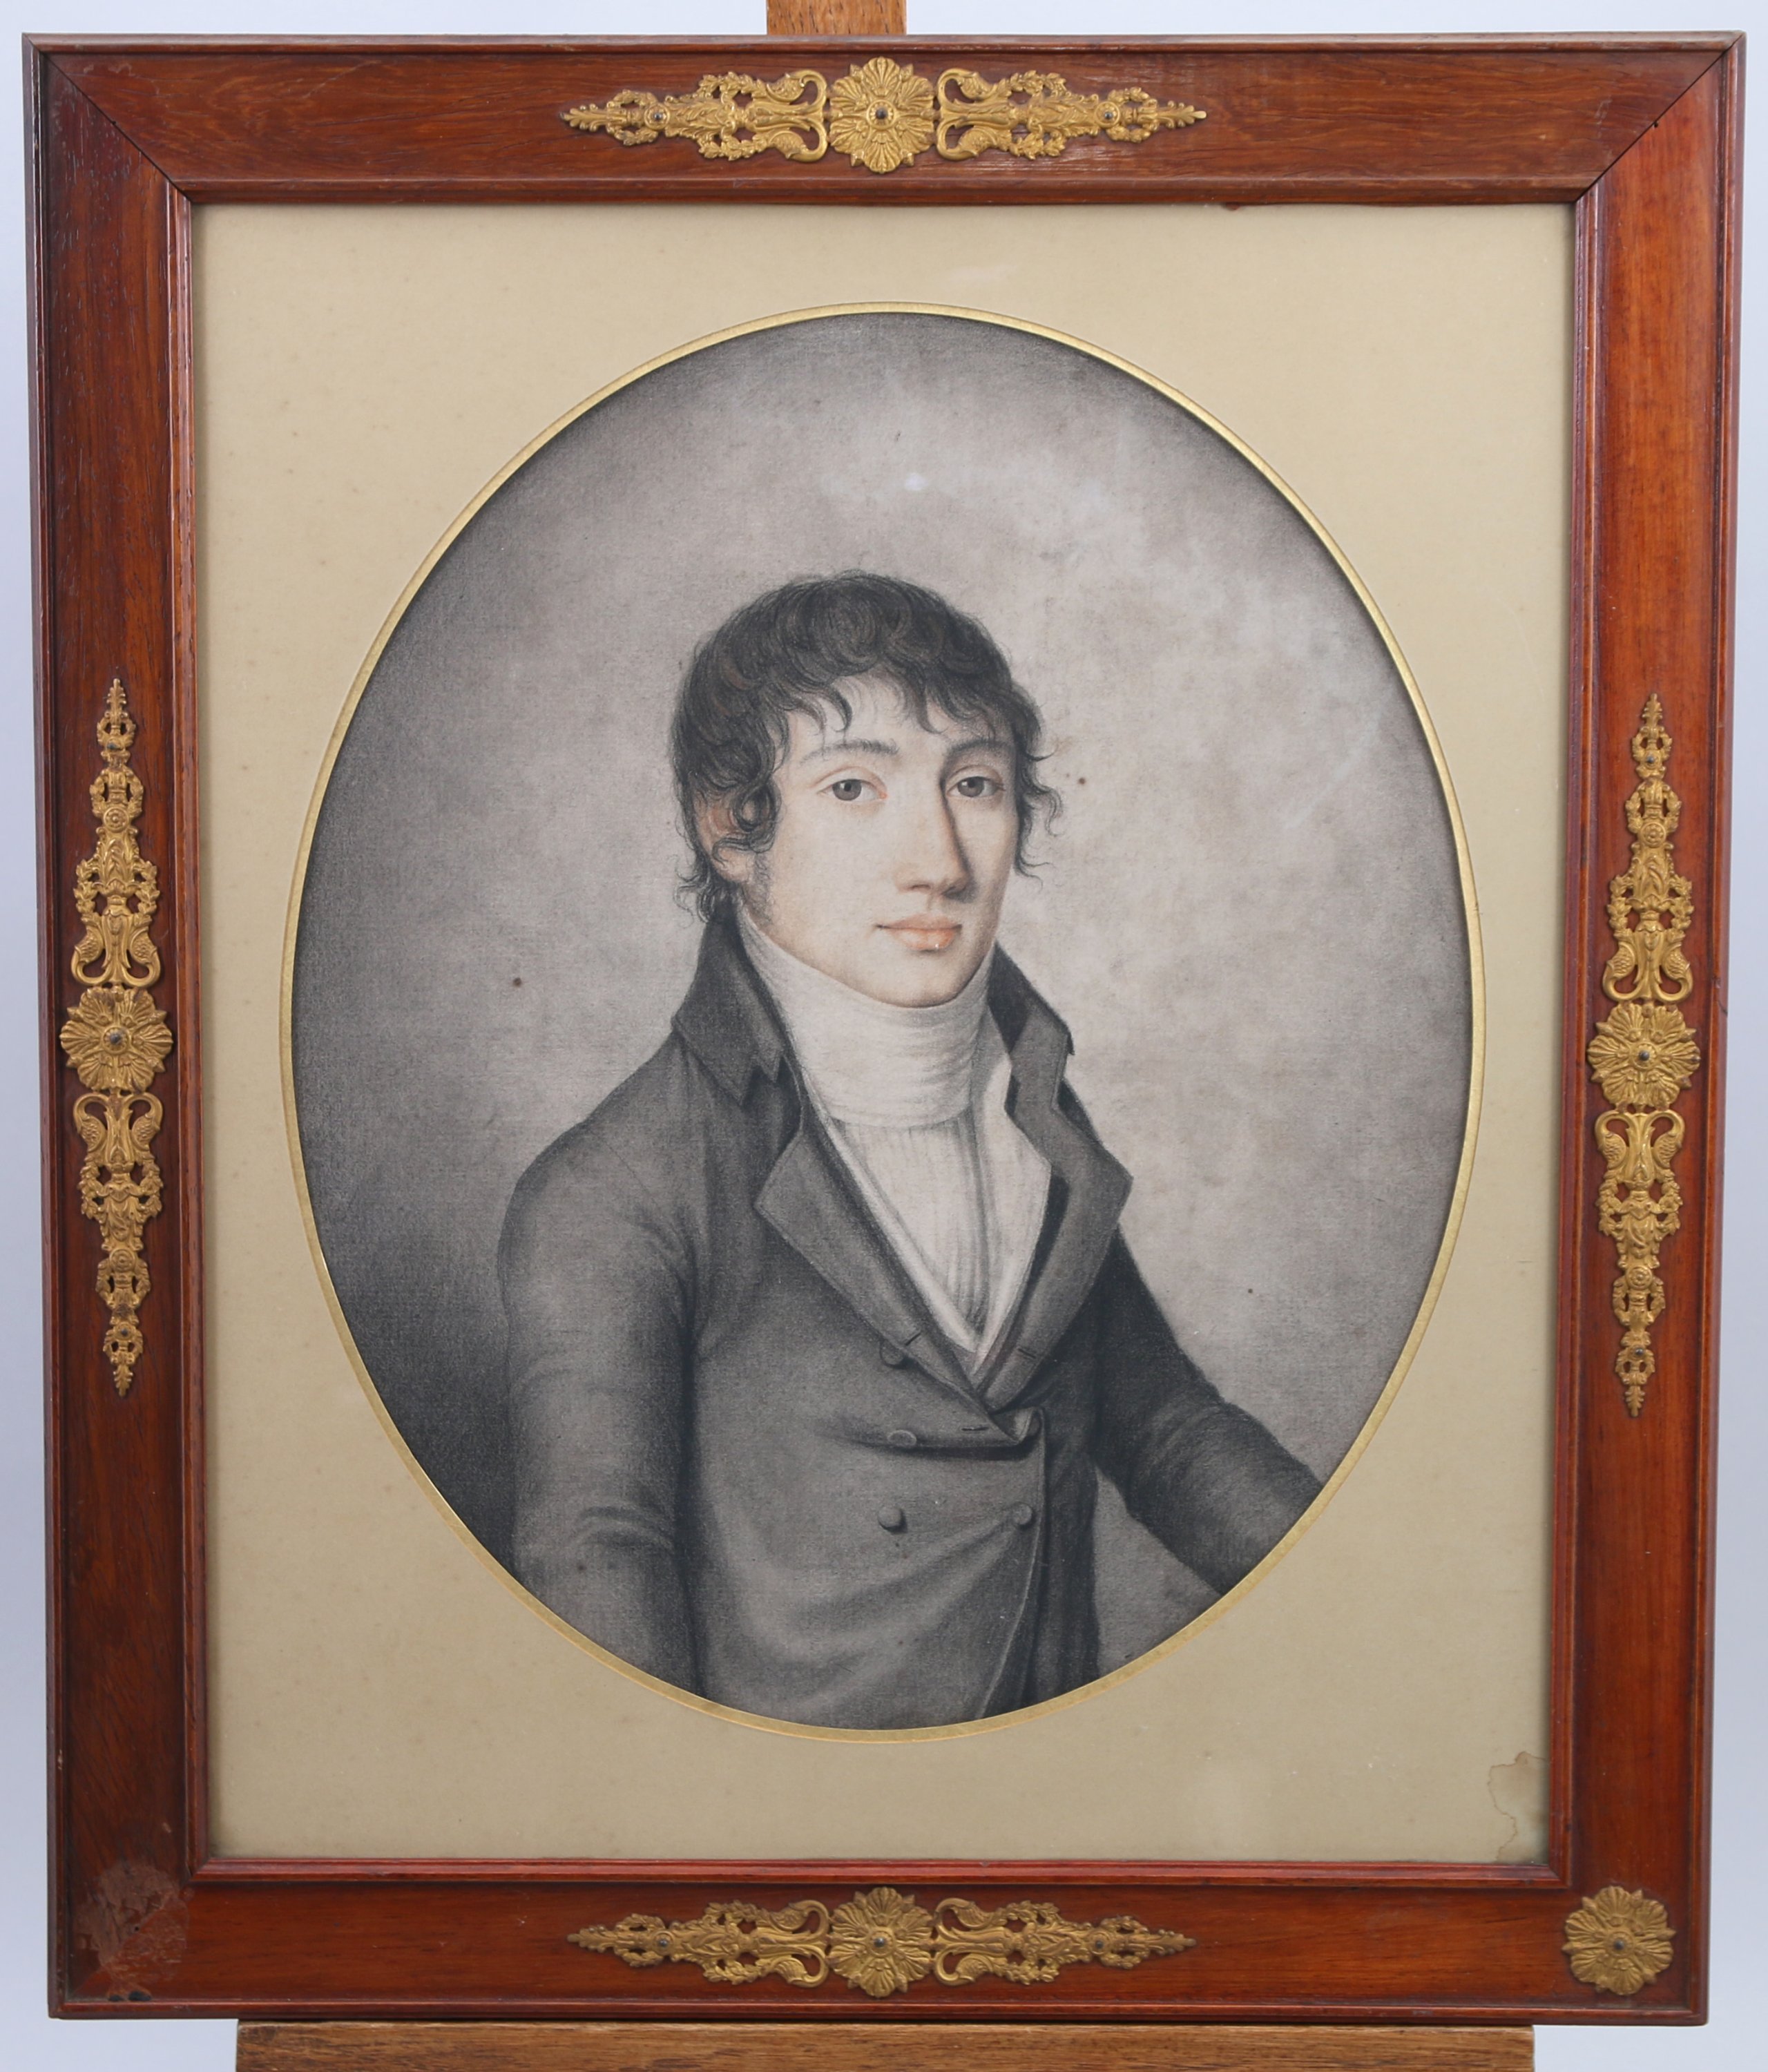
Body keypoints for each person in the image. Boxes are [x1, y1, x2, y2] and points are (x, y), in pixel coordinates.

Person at [499, 571, 1319, 1730]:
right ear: (731, 827)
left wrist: (1367, 1591)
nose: (939, 860)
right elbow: (599, 1575)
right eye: (854, 787)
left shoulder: (1034, 1112)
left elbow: (1170, 1433)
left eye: (974, 784)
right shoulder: (613, 1193)